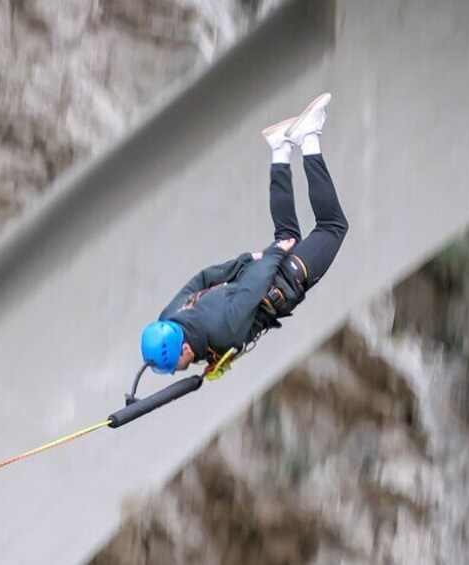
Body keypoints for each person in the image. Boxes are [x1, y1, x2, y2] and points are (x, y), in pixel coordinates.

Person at [140, 93, 349, 374]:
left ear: (185, 350)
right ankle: (280, 148)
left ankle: (309, 138)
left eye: (175, 366)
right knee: (287, 233)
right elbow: (203, 278)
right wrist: (247, 259)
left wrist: (275, 254)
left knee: (332, 226)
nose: (177, 372)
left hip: (281, 280)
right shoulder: (171, 318)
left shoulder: (224, 330)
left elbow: (253, 287)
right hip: (255, 274)